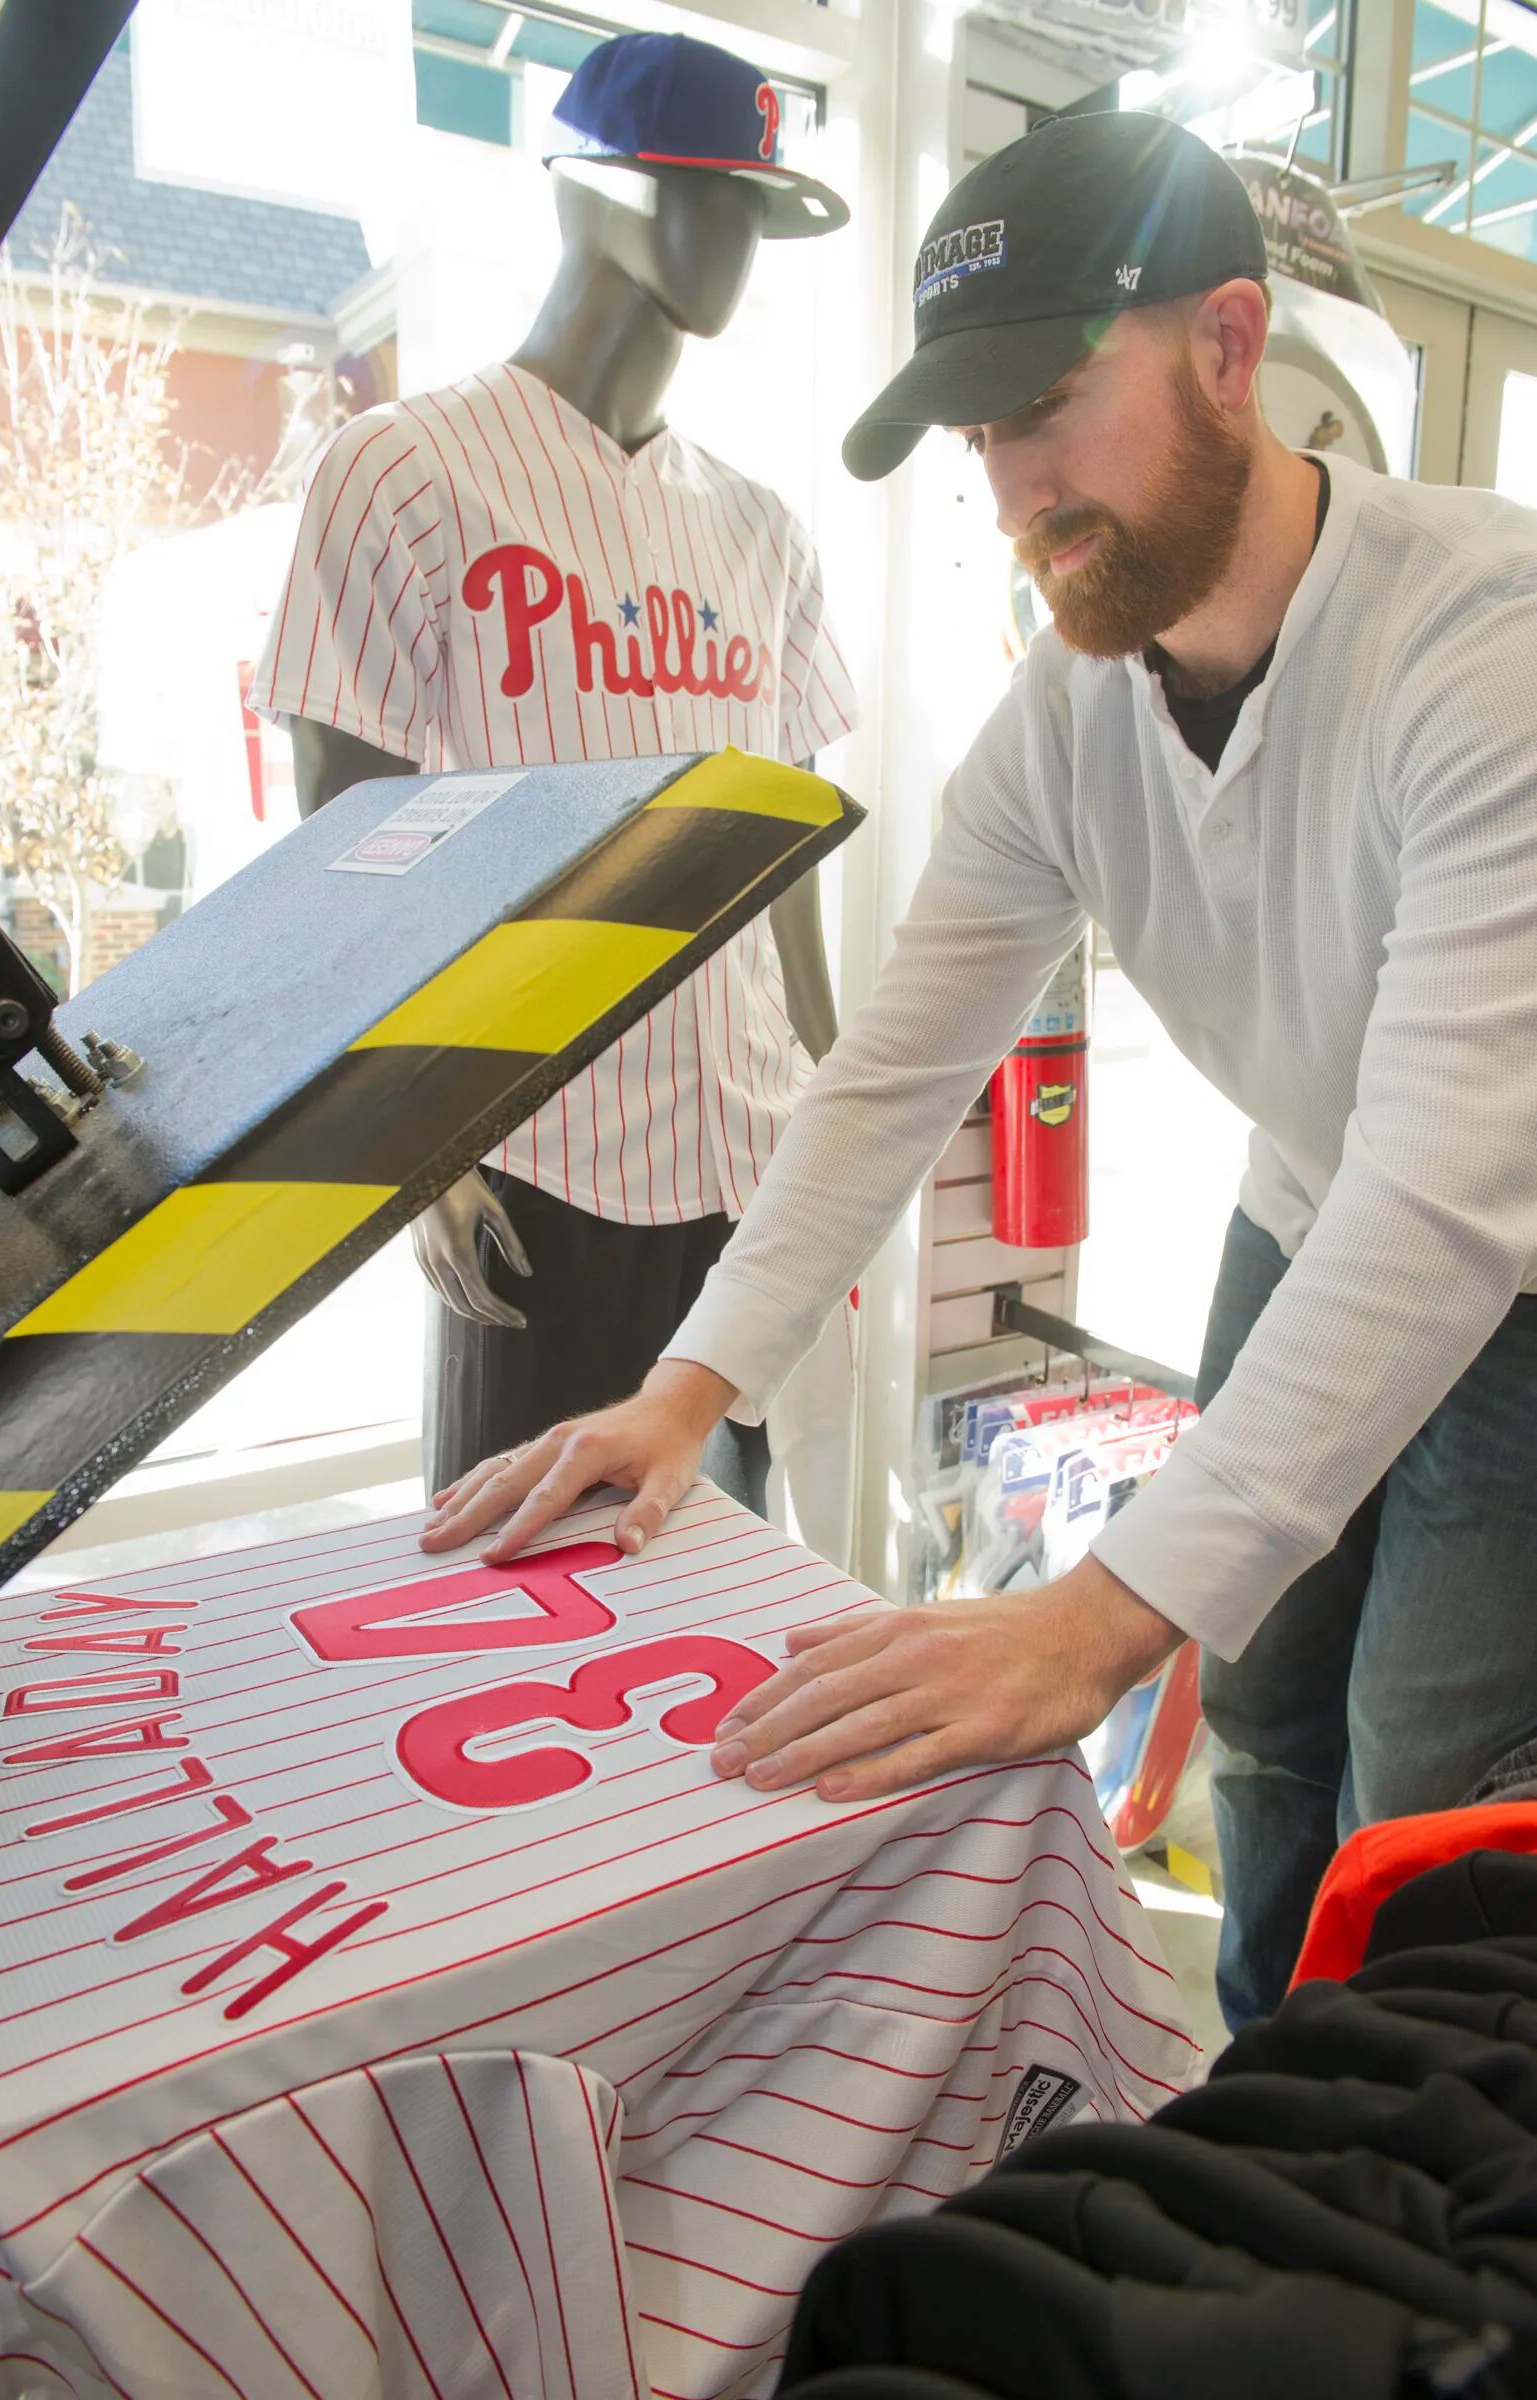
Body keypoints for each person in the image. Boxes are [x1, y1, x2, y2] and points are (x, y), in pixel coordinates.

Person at [419, 109, 1537, 2030]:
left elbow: (1441, 1198)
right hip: (1301, 1198)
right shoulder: (1066, 717)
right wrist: (691, 1392)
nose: (1016, 488)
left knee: (1416, 1753)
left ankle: (1385, 2179)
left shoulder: (1483, 639)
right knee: (1265, 1703)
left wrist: (1091, 1622)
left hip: (1509, 1258)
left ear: (1228, 342)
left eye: (1045, 403)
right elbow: (890, 1071)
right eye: (979, 437)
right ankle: (1259, 2100)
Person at [250, 30, 860, 1555]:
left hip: (754, 1166)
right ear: (589, 195)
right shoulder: (406, 470)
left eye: (752, 211)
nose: (731, 241)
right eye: (701, 197)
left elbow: (782, 853)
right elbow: (344, 851)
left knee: (735, 1604)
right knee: (516, 1612)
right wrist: (414, 1148)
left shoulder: (761, 527)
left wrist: (844, 1100)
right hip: (540, 1160)